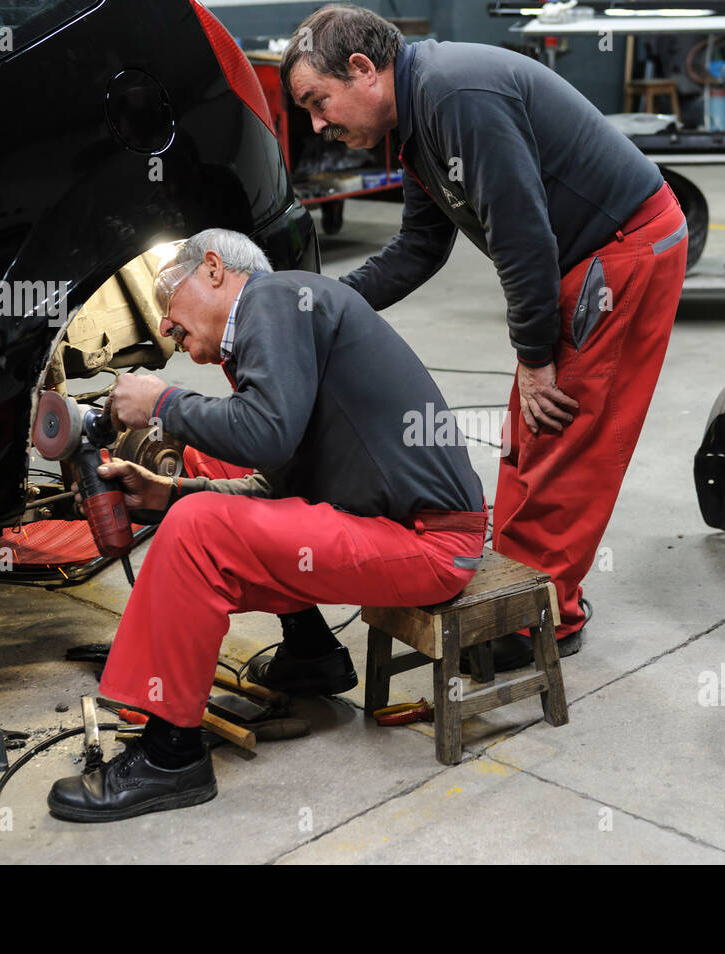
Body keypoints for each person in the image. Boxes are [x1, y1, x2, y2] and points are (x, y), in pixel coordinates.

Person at [282, 5, 687, 671]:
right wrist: (318, 303)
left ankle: (542, 620)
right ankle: (524, 590)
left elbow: (523, 238)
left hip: (623, 249)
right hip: (579, 255)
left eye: (318, 103)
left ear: (361, 69)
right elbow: (418, 248)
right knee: (528, 432)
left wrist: (536, 359)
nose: (318, 125)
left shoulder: (454, 96)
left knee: (564, 436)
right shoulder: (416, 118)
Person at [47, 228, 486, 821]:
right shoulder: (275, 322)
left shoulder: (272, 299)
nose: (166, 332)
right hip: (391, 525)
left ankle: (170, 759)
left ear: (213, 269)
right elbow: (274, 484)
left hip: (429, 542)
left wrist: (162, 402)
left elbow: (268, 434)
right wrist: (167, 491)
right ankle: (311, 653)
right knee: (201, 505)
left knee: (201, 530)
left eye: (168, 307)